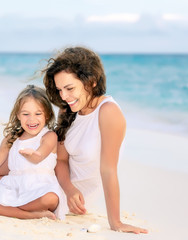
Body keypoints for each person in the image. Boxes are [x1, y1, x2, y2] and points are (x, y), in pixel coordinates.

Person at [42, 46, 148, 234]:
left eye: (69, 88)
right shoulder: (68, 111)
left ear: (90, 82)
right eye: (59, 90)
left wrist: (116, 222)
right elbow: (61, 160)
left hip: (75, 199)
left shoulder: (108, 112)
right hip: (58, 181)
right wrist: (69, 188)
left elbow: (108, 170)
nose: (64, 97)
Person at [0, 85, 67, 220]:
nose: (32, 119)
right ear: (18, 115)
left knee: (51, 199)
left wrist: (34, 154)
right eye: (25, 114)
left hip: (40, 186)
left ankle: (8, 209)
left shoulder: (49, 136)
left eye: (38, 113)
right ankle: (27, 214)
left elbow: (40, 155)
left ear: (47, 115)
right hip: (14, 186)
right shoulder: (11, 139)